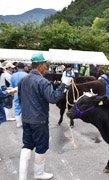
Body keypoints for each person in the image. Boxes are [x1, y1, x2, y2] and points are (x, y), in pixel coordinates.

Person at [18, 52, 71, 180]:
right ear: (41, 65)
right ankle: (39, 174)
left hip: (26, 118)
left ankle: (22, 176)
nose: (46, 66)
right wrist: (64, 85)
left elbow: (20, 99)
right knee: (41, 146)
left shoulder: (23, 80)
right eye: (45, 64)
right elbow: (53, 98)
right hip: (39, 120)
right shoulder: (43, 81)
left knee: (27, 145)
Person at [10, 63, 28, 128]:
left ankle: (18, 123)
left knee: (17, 107)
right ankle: (24, 122)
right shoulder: (27, 75)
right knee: (25, 107)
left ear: (17, 68)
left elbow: (11, 86)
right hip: (25, 93)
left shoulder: (13, 75)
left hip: (16, 92)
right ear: (24, 67)